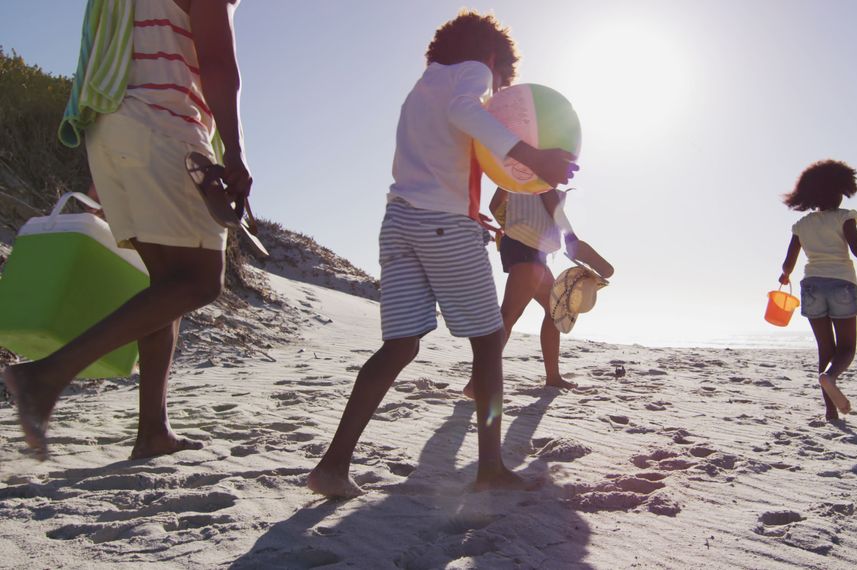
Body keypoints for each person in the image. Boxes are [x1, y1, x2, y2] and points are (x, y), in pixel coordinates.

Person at [307, 11, 577, 498]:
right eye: (499, 82)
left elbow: (433, 159)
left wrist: (467, 211)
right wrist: (534, 157)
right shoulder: (471, 71)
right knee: (489, 341)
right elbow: (464, 113)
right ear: (492, 57)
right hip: (440, 225)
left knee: (400, 346)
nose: (495, 92)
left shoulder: (419, 87)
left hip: (400, 222)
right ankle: (491, 468)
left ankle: (332, 464)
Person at [3, 0, 252, 460]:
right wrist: (235, 151)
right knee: (199, 281)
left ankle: (153, 431)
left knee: (165, 287)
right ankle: (45, 376)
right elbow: (217, 64)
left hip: (113, 127)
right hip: (163, 125)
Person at [777, 160, 857, 421]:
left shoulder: (802, 225)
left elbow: (788, 263)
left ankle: (830, 411)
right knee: (847, 347)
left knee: (825, 349)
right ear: (840, 191)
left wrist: (785, 274)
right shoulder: (844, 217)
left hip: (811, 285)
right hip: (841, 285)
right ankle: (831, 377)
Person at [463, 187, 577, 399]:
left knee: (555, 308)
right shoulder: (542, 168)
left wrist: (514, 225)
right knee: (509, 314)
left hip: (523, 246)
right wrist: (572, 238)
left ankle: (553, 377)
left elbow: (495, 204)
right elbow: (554, 207)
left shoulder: (518, 171)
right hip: (528, 247)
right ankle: (476, 383)